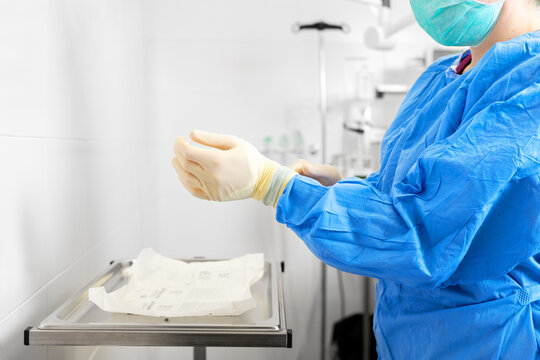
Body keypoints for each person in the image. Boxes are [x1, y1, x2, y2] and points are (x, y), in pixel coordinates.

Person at [171, 0, 540, 358]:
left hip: (491, 340)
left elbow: (422, 234)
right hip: (408, 338)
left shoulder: (530, 87)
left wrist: (272, 184)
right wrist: (341, 187)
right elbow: (404, 193)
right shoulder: (441, 78)